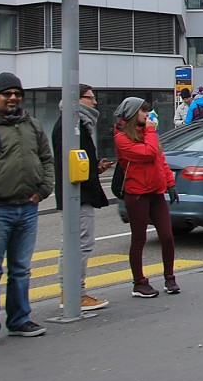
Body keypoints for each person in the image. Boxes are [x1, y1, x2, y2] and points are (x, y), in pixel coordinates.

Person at [0, 72, 54, 344]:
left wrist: (43, 191)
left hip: (28, 208)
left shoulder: (33, 126)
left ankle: (19, 320)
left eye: (17, 93)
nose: (13, 98)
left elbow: (47, 159)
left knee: (21, 268)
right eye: (7, 93)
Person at [53, 84, 112, 311]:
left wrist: (94, 168)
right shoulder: (70, 126)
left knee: (74, 242)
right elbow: (65, 163)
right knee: (79, 243)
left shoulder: (79, 125)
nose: (95, 103)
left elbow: (76, 159)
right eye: (90, 98)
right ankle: (73, 293)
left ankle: (70, 292)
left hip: (80, 191)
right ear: (76, 100)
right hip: (76, 194)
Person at [114, 97, 179, 298]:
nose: (147, 115)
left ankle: (170, 276)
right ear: (134, 115)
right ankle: (139, 283)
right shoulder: (122, 138)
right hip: (137, 195)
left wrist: (170, 184)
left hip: (156, 192)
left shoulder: (148, 134)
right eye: (143, 112)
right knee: (139, 239)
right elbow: (149, 154)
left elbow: (160, 160)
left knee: (167, 236)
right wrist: (151, 131)